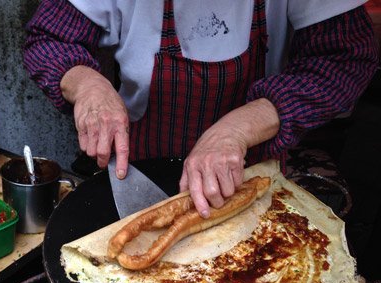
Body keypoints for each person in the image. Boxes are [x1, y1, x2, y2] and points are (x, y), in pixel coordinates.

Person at [23, 0, 378, 218]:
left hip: (247, 179)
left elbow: (345, 58)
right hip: (139, 173)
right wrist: (88, 85)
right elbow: (50, 37)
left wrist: (237, 129)